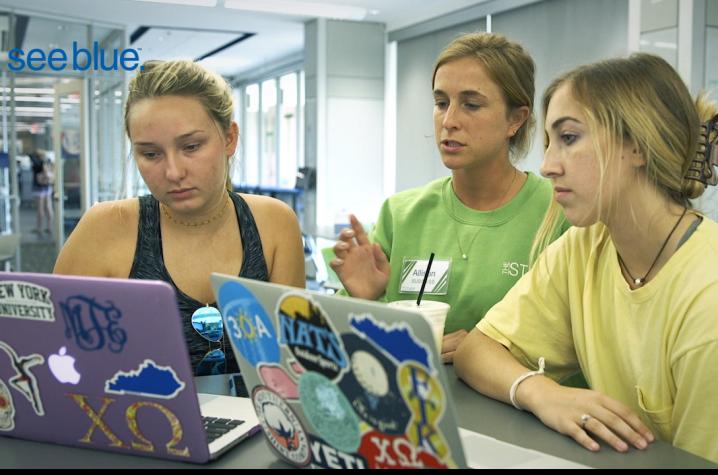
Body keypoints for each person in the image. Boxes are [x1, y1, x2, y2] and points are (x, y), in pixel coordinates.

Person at [454, 53, 718, 463]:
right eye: (548, 143)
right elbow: (477, 350)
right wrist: (541, 393)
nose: (546, 166)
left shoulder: (708, 297)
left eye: (569, 138)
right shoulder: (585, 247)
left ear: (637, 146)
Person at [54, 60, 305, 376]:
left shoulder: (274, 223)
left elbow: (292, 367)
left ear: (229, 138)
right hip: (140, 421)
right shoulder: (104, 229)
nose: (173, 172)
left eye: (191, 146)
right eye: (150, 154)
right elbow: (61, 365)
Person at [331, 32, 567, 362]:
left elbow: (574, 343)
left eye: (471, 105)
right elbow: (347, 345)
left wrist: (483, 352)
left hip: (518, 409)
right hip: (410, 404)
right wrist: (366, 301)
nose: (449, 121)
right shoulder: (401, 214)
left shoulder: (560, 215)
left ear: (516, 119)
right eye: (441, 103)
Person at [29, 150, 54, 236]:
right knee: (48, 207)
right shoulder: (48, 162)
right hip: (47, 188)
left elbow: (42, 176)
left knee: (40, 209)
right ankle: (49, 227)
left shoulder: (39, 164)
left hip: (39, 188)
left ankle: (39, 228)